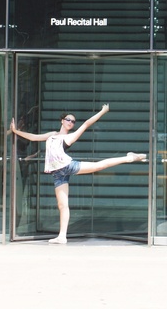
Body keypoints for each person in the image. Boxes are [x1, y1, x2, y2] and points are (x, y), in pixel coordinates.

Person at [10, 104, 146, 244]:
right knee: (62, 205)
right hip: (57, 174)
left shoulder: (69, 137)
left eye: (73, 122)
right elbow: (33, 137)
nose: (71, 122)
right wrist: (15, 130)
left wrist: (103, 111)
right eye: (68, 119)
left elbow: (87, 123)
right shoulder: (52, 135)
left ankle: (130, 157)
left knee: (99, 165)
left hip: (68, 166)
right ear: (62, 120)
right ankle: (62, 236)